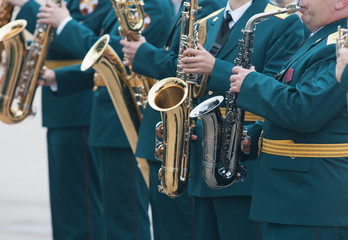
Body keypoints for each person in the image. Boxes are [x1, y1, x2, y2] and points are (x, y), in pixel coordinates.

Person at [35, 0, 175, 239]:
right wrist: (57, 76)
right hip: (107, 123)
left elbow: (110, 55)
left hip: (125, 124)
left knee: (125, 221)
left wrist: (65, 23)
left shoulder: (151, 4)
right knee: (112, 222)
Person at [177, 0, 304, 239]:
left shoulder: (282, 22)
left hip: (243, 159)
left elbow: (274, 89)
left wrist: (215, 68)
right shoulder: (207, 21)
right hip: (202, 158)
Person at [229, 0, 348, 238]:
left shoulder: (340, 44)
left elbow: (306, 111)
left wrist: (252, 83)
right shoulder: (320, 38)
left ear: (340, 2)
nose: (299, 2)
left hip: (311, 202)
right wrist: (253, 137)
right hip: (292, 200)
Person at [120, 1, 225, 239]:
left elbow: (189, 68)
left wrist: (144, 54)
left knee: (179, 229)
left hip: (184, 142)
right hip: (169, 137)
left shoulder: (211, 5)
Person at [7, 0, 111, 239]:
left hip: (80, 105)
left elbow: (79, 40)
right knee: (65, 210)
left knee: (81, 209)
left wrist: (27, 6)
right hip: (63, 107)